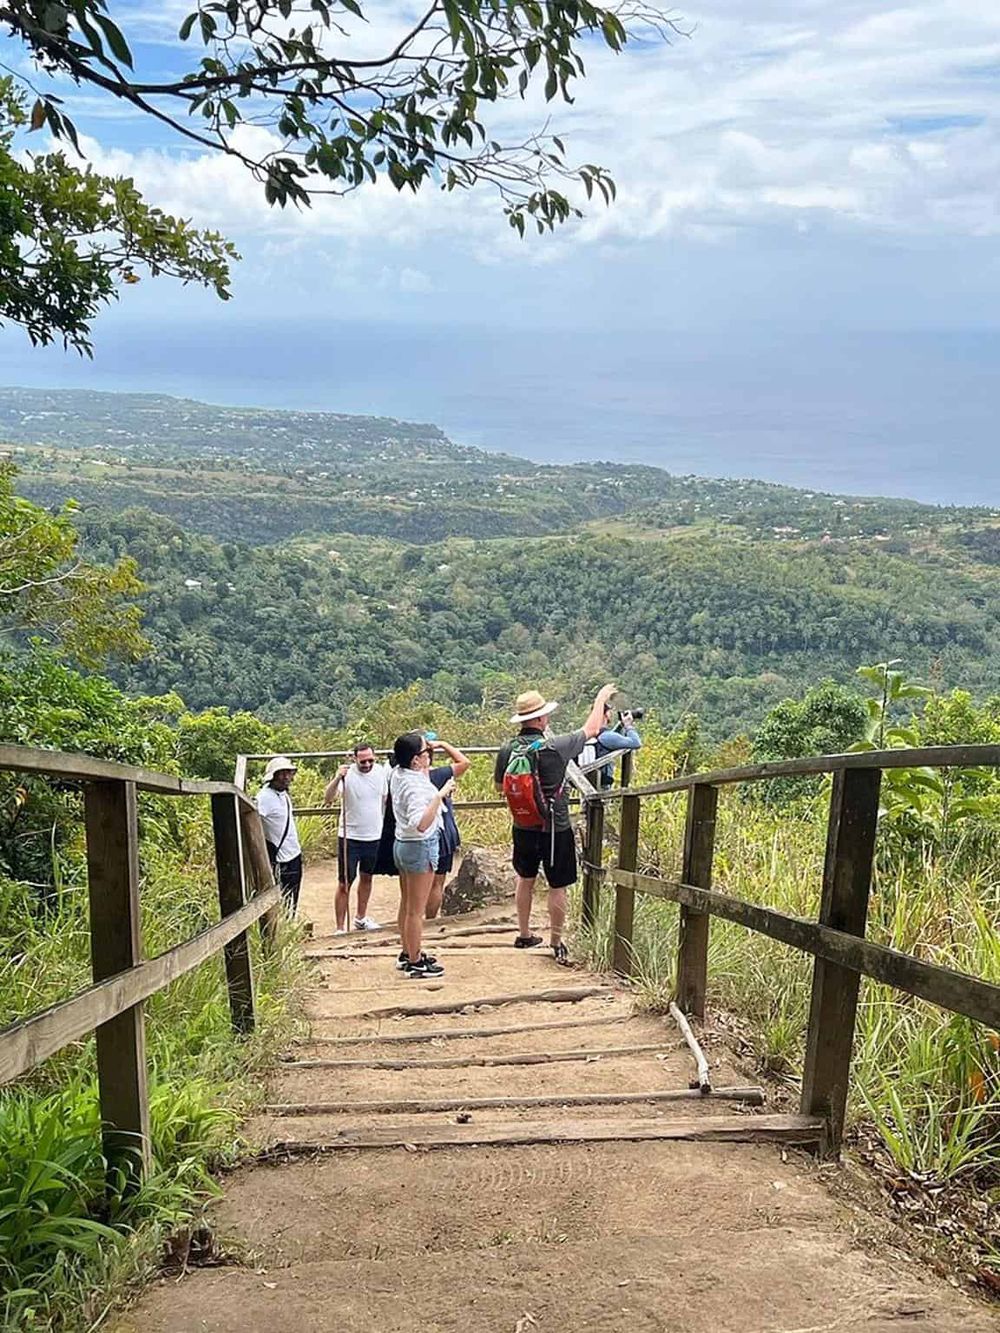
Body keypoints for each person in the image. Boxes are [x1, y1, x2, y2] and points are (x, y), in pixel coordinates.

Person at [494, 683, 617, 963]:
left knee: (524, 879)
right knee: (557, 885)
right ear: (539, 719)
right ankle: (556, 941)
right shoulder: (555, 746)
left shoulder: (507, 749)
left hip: (523, 826)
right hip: (555, 827)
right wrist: (600, 700)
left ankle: (524, 934)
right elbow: (592, 729)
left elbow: (500, 789)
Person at [389, 731, 455, 979]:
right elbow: (422, 823)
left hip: (402, 843)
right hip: (419, 845)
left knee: (407, 904)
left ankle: (408, 952)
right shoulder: (415, 786)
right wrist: (440, 795)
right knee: (416, 910)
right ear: (416, 760)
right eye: (425, 752)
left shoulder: (399, 775)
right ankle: (415, 961)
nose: (429, 755)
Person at [323, 741, 389, 933]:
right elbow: (328, 799)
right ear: (354, 759)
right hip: (349, 837)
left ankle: (360, 918)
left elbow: (384, 798)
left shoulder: (380, 772)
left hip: (374, 835)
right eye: (363, 762)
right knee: (345, 882)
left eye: (370, 760)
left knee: (367, 877)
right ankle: (340, 927)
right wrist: (337, 778)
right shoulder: (347, 774)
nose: (367, 765)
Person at [426, 739, 471, 919]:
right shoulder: (438, 775)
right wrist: (444, 744)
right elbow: (464, 762)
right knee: (437, 881)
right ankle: (429, 920)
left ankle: (414, 920)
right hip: (442, 831)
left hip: (419, 830)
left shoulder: (403, 776)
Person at [256, 755, 303, 915]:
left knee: (292, 898)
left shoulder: (283, 795)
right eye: (281, 773)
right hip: (281, 859)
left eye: (288, 773)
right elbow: (252, 819)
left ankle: (289, 928)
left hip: (293, 854)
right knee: (280, 899)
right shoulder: (264, 797)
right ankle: (280, 933)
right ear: (273, 776)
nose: (286, 777)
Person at [594, 705, 642, 788]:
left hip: (591, 784)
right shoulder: (605, 736)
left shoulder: (593, 734)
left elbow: (611, 739)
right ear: (606, 715)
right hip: (602, 788)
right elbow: (636, 743)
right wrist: (628, 726)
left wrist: (621, 725)